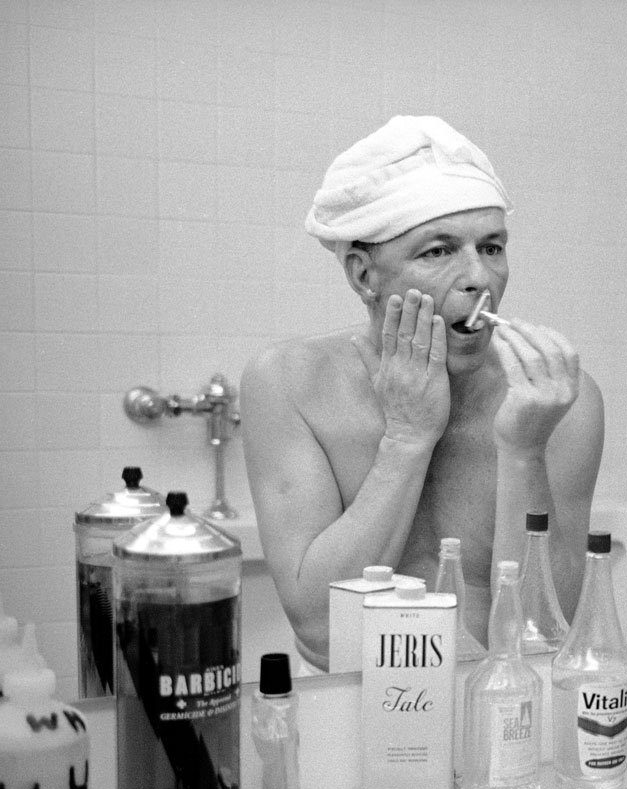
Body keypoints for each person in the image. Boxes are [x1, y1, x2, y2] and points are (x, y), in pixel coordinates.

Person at [243, 116, 604, 670]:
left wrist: (525, 450)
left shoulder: (557, 398)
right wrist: (408, 438)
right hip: (348, 712)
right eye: (438, 251)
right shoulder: (291, 384)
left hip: (501, 705)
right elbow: (318, 625)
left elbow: (542, 630)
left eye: (491, 248)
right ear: (364, 276)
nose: (478, 278)